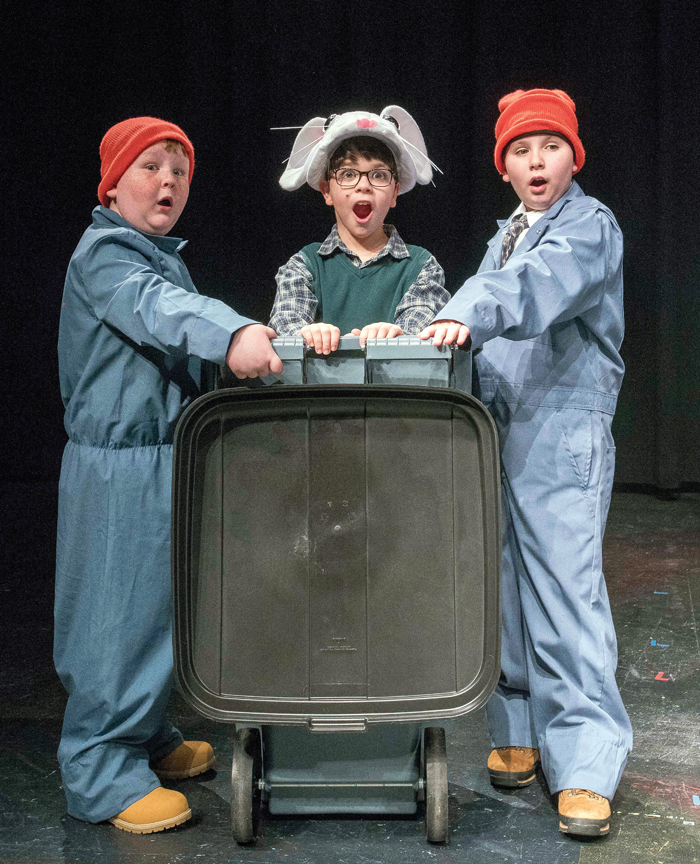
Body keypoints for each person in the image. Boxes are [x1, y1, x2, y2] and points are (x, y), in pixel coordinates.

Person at [54, 116, 282, 834]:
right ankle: (100, 769)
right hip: (119, 466)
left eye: (179, 172)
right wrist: (231, 332)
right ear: (112, 184)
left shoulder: (157, 257)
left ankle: (146, 737)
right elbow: (159, 311)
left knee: (156, 610)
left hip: (162, 455)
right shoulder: (105, 255)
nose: (168, 182)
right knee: (115, 616)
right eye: (150, 167)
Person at [420, 89, 633, 837]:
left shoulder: (588, 226)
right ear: (502, 166)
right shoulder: (506, 236)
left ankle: (586, 761)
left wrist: (468, 310)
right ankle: (519, 727)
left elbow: (535, 288)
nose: (536, 161)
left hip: (561, 430)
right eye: (520, 150)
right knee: (505, 584)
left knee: (566, 593)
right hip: (500, 428)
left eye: (550, 146)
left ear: (574, 156)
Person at [269, 106, 449, 351]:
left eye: (378, 175)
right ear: (326, 191)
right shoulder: (305, 264)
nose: (363, 185)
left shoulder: (421, 265)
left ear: (395, 193)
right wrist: (304, 334)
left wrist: (399, 336)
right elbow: (286, 322)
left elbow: (421, 326)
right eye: (348, 174)